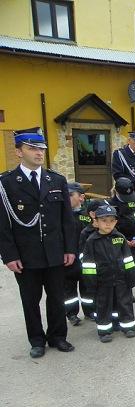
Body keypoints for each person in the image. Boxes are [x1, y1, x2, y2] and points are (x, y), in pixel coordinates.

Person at [0, 128, 76, 358]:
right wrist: (9, 255)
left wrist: (70, 248)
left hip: (55, 252)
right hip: (26, 256)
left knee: (56, 297)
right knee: (30, 301)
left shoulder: (57, 180)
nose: (39, 153)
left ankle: (57, 336)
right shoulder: (7, 183)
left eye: (41, 148)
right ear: (18, 151)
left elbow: (67, 220)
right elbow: (3, 225)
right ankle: (36, 340)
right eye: (32, 148)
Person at [81, 205, 135, 342]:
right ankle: (104, 330)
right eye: (104, 220)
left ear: (116, 222)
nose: (108, 224)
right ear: (96, 221)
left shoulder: (120, 237)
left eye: (112, 221)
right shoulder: (92, 241)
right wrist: (91, 283)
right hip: (102, 280)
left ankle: (127, 326)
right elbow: (88, 264)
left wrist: (132, 277)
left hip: (121, 279)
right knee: (103, 305)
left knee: (124, 302)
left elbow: (128, 259)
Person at [110, 177, 135, 299]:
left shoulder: (134, 200)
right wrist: (123, 240)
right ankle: (127, 290)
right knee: (123, 267)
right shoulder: (111, 204)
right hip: (119, 240)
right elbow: (110, 226)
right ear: (116, 192)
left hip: (134, 239)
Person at [63, 182, 92, 326]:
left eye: (70, 195)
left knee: (87, 286)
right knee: (69, 289)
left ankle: (90, 311)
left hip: (86, 258)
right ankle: (72, 314)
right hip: (68, 258)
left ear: (81, 197)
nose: (66, 198)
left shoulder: (88, 214)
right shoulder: (62, 215)